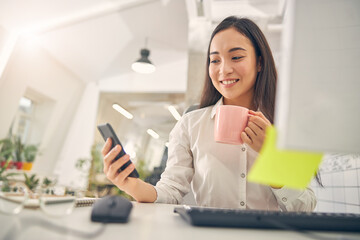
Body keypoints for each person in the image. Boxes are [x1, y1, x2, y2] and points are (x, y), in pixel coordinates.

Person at [101, 16, 317, 211]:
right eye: (215, 60)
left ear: (259, 62)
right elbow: (171, 191)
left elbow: (305, 207)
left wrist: (270, 155)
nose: (224, 70)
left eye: (236, 57)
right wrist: (132, 185)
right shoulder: (190, 125)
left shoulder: (286, 125)